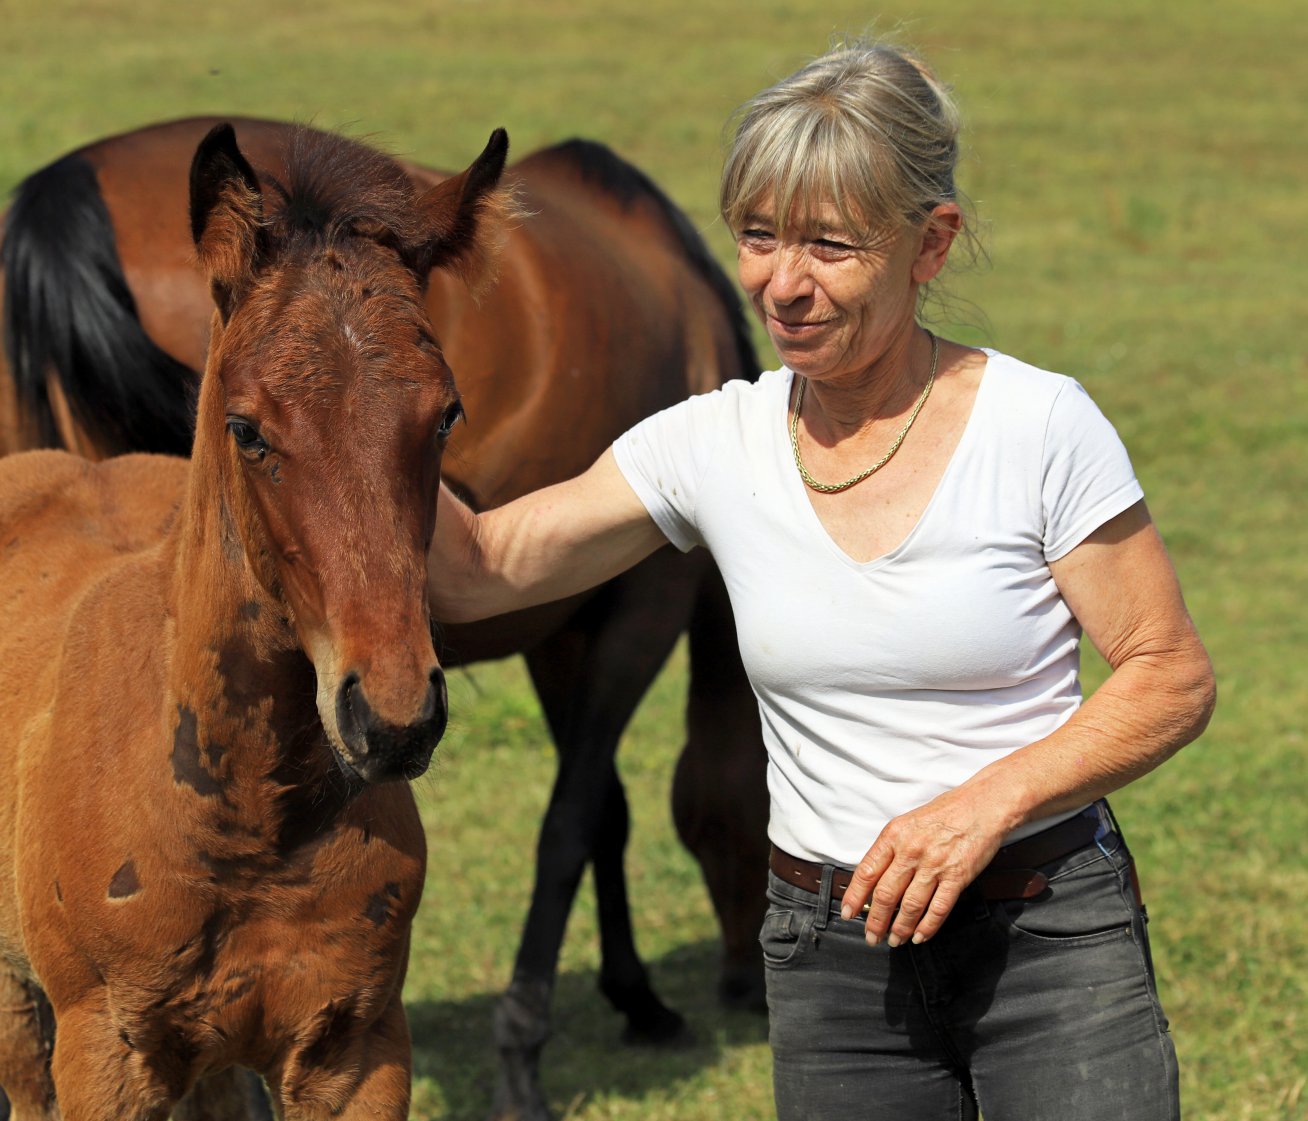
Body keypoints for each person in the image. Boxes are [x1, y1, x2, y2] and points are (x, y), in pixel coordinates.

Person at [429, 39, 1214, 1121]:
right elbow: (481, 567)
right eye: (758, 236)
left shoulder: (1038, 425)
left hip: (1047, 936)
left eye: (830, 245)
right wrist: (348, 393)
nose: (782, 285)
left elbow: (1169, 673)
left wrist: (985, 804)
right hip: (830, 958)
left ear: (930, 243)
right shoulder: (715, 442)